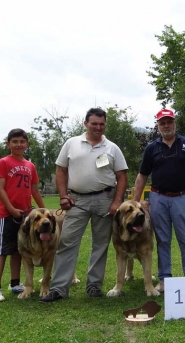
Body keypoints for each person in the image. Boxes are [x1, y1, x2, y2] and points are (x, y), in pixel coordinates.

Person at [40, 108, 128, 302]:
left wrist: (117, 201)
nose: (98, 127)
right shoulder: (72, 143)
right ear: (85, 123)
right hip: (76, 200)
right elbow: (61, 170)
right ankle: (59, 289)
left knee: (101, 244)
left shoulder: (112, 148)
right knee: (67, 242)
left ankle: (94, 286)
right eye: (94, 123)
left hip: (105, 199)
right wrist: (63, 196)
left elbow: (122, 176)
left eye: (102, 124)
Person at [134, 109, 185, 292]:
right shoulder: (152, 147)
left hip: (182, 197)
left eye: (169, 122)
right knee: (162, 240)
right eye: (162, 123)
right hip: (158, 198)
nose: (166, 126)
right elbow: (142, 175)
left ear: (175, 123)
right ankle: (164, 279)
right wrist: (135, 203)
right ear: (158, 126)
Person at [0, 128, 46, 301]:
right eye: (15, 141)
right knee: (2, 250)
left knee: (19, 250)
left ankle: (15, 283)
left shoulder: (30, 166)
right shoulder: (4, 162)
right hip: (8, 214)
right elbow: (0, 188)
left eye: (22, 141)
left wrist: (44, 210)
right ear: (8, 144)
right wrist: (12, 209)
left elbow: (34, 190)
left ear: (27, 144)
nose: (19, 144)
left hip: (26, 215)